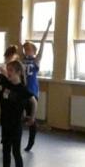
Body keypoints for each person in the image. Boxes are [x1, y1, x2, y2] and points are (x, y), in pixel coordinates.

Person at [21, 17, 53, 151]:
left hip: (32, 90)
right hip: (22, 90)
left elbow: (43, 42)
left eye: (29, 49)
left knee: (31, 117)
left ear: (33, 51)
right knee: (20, 114)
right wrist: (21, 23)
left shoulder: (36, 60)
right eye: (25, 49)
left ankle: (31, 141)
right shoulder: (23, 59)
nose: (26, 51)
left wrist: (48, 27)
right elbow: (19, 41)